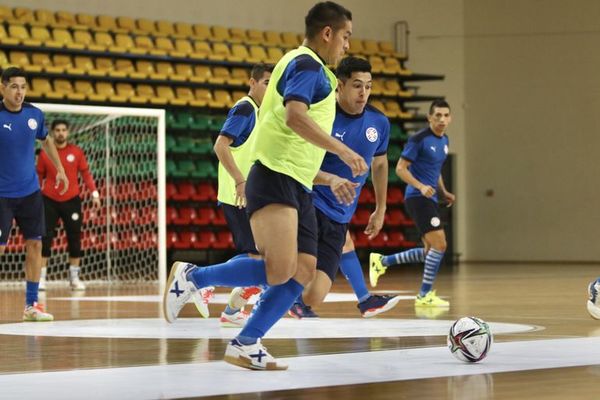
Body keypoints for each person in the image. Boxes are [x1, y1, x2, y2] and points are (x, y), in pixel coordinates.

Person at [163, 1, 367, 370]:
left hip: (297, 183)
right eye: (345, 36)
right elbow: (294, 117)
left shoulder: (311, 67)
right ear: (327, 33)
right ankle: (193, 277)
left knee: (304, 272)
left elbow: (293, 142)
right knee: (278, 269)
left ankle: (246, 341)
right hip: (273, 177)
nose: (347, 45)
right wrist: (344, 150)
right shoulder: (307, 65)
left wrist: (330, 176)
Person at [287, 56, 400, 319]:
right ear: (340, 85)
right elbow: (298, 166)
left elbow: (380, 165)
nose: (364, 93)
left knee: (313, 297)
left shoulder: (379, 122)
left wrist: (381, 208)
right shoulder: (321, 116)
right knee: (293, 268)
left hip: (340, 216)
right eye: (357, 86)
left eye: (369, 86)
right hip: (309, 203)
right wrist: (329, 179)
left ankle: (286, 299)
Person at [369, 99, 454, 307]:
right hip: (418, 198)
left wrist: (443, 192)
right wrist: (420, 186)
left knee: (429, 251)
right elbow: (400, 169)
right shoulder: (419, 139)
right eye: (438, 116)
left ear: (450, 118)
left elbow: (436, 170)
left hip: (431, 198)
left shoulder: (445, 141)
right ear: (429, 118)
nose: (442, 119)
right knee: (441, 245)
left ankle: (382, 261)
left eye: (445, 115)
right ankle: (424, 295)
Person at [0, 67, 68, 321]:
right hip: (2, 195)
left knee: (36, 244)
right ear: (3, 87)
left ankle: (31, 305)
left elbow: (46, 140)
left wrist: (59, 169)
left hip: (29, 193)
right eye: (14, 86)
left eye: (23, 87)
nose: (19, 92)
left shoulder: (34, 114)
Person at [213, 63, 273, 327]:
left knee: (259, 255)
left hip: (249, 194)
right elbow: (220, 145)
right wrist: (239, 181)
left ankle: (232, 310)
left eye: (274, 83)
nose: (270, 88)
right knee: (255, 256)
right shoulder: (246, 108)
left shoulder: (261, 112)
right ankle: (204, 282)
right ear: (252, 82)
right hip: (236, 194)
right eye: (266, 82)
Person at [37, 119, 101, 291]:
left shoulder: (76, 152)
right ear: (52, 132)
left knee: (74, 238)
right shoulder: (45, 154)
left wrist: (94, 193)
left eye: (63, 130)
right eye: (57, 130)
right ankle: (41, 279)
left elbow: (86, 174)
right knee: (45, 238)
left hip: (72, 200)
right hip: (49, 199)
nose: (60, 133)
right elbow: (39, 177)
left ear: (68, 132)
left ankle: (74, 278)